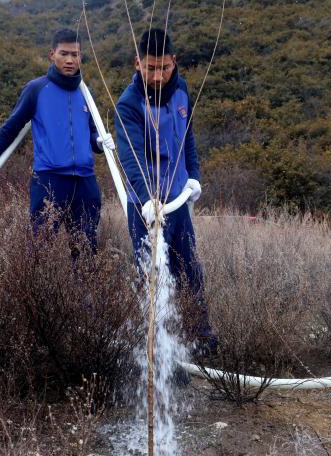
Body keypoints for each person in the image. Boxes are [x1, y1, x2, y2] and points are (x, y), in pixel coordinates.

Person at [115, 29, 216, 353]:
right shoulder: (129, 104)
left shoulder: (182, 90)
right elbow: (130, 157)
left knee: (190, 271)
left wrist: (193, 176)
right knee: (153, 277)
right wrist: (146, 199)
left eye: (164, 68)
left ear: (174, 61)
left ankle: (201, 338)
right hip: (146, 207)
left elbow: (188, 137)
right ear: (138, 63)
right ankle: (156, 348)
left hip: (178, 202)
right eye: (150, 68)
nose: (158, 76)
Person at [0, 28, 114, 253]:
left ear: (80, 57)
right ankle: (32, 279)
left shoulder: (86, 92)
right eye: (64, 54)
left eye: (75, 54)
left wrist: (99, 142)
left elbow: (91, 135)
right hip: (50, 180)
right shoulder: (37, 89)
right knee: (38, 248)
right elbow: (11, 127)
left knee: (86, 249)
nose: (69, 60)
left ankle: (84, 278)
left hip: (85, 181)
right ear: (52, 54)